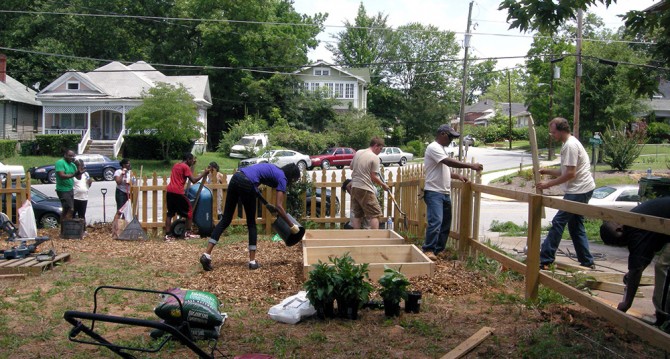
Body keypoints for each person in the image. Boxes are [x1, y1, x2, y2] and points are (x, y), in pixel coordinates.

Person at [199, 163, 301, 271]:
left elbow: (253, 184)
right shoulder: (283, 178)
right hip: (247, 183)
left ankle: (206, 255)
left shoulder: (274, 169)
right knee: (251, 223)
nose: (292, 183)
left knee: (225, 219)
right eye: (294, 180)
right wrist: (291, 225)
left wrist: (266, 204)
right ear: (292, 176)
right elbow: (279, 207)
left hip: (236, 177)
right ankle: (252, 262)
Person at [601, 197, 670, 331]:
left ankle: (663, 317)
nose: (625, 245)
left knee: (663, 266)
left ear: (619, 230)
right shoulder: (631, 220)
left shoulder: (636, 231)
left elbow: (636, 269)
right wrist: (633, 272)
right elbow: (643, 257)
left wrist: (626, 304)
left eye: (620, 243)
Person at [537, 117, 596, 269]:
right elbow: (564, 171)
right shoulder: (568, 144)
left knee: (559, 221)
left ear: (562, 130)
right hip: (580, 189)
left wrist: (548, 184)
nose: (552, 135)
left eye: (554, 132)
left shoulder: (570, 145)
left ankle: (545, 258)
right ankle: (587, 262)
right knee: (575, 226)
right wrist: (546, 171)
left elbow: (570, 174)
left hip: (579, 190)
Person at [423, 124, 483, 261]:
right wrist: (471, 166)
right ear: (443, 134)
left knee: (445, 223)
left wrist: (458, 176)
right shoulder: (433, 147)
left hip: (444, 192)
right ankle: (428, 249)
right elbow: (447, 162)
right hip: (434, 192)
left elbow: (443, 169)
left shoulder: (441, 149)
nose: (451, 141)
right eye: (450, 137)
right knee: (436, 221)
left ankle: (438, 251)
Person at [164, 153, 211, 240]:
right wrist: (204, 173)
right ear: (188, 159)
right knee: (189, 211)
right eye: (192, 160)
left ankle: (167, 235)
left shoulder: (176, 165)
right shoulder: (185, 167)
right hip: (178, 192)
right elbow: (193, 180)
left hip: (170, 191)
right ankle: (187, 233)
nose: (192, 161)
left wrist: (192, 164)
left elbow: (184, 172)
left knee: (170, 213)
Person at [349, 137, 389, 229]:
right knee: (375, 214)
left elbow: (351, 167)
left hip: (354, 187)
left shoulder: (358, 152)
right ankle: (374, 239)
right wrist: (383, 185)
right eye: (380, 149)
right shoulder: (374, 157)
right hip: (365, 188)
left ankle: (357, 238)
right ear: (376, 146)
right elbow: (373, 176)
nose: (380, 151)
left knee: (357, 214)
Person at [55, 149, 79, 223]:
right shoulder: (60, 162)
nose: (71, 158)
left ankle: (65, 226)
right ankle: (65, 225)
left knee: (67, 209)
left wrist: (78, 166)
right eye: (69, 156)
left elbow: (79, 177)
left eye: (73, 156)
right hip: (62, 189)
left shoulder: (73, 165)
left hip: (70, 189)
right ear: (65, 155)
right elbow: (62, 175)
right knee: (69, 208)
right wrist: (73, 174)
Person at [72, 159, 93, 232]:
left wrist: (90, 182)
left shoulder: (86, 174)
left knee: (82, 214)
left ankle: (83, 230)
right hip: (75, 197)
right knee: (73, 214)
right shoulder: (73, 174)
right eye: (80, 166)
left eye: (82, 166)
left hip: (84, 197)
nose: (82, 167)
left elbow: (88, 185)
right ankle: (73, 229)